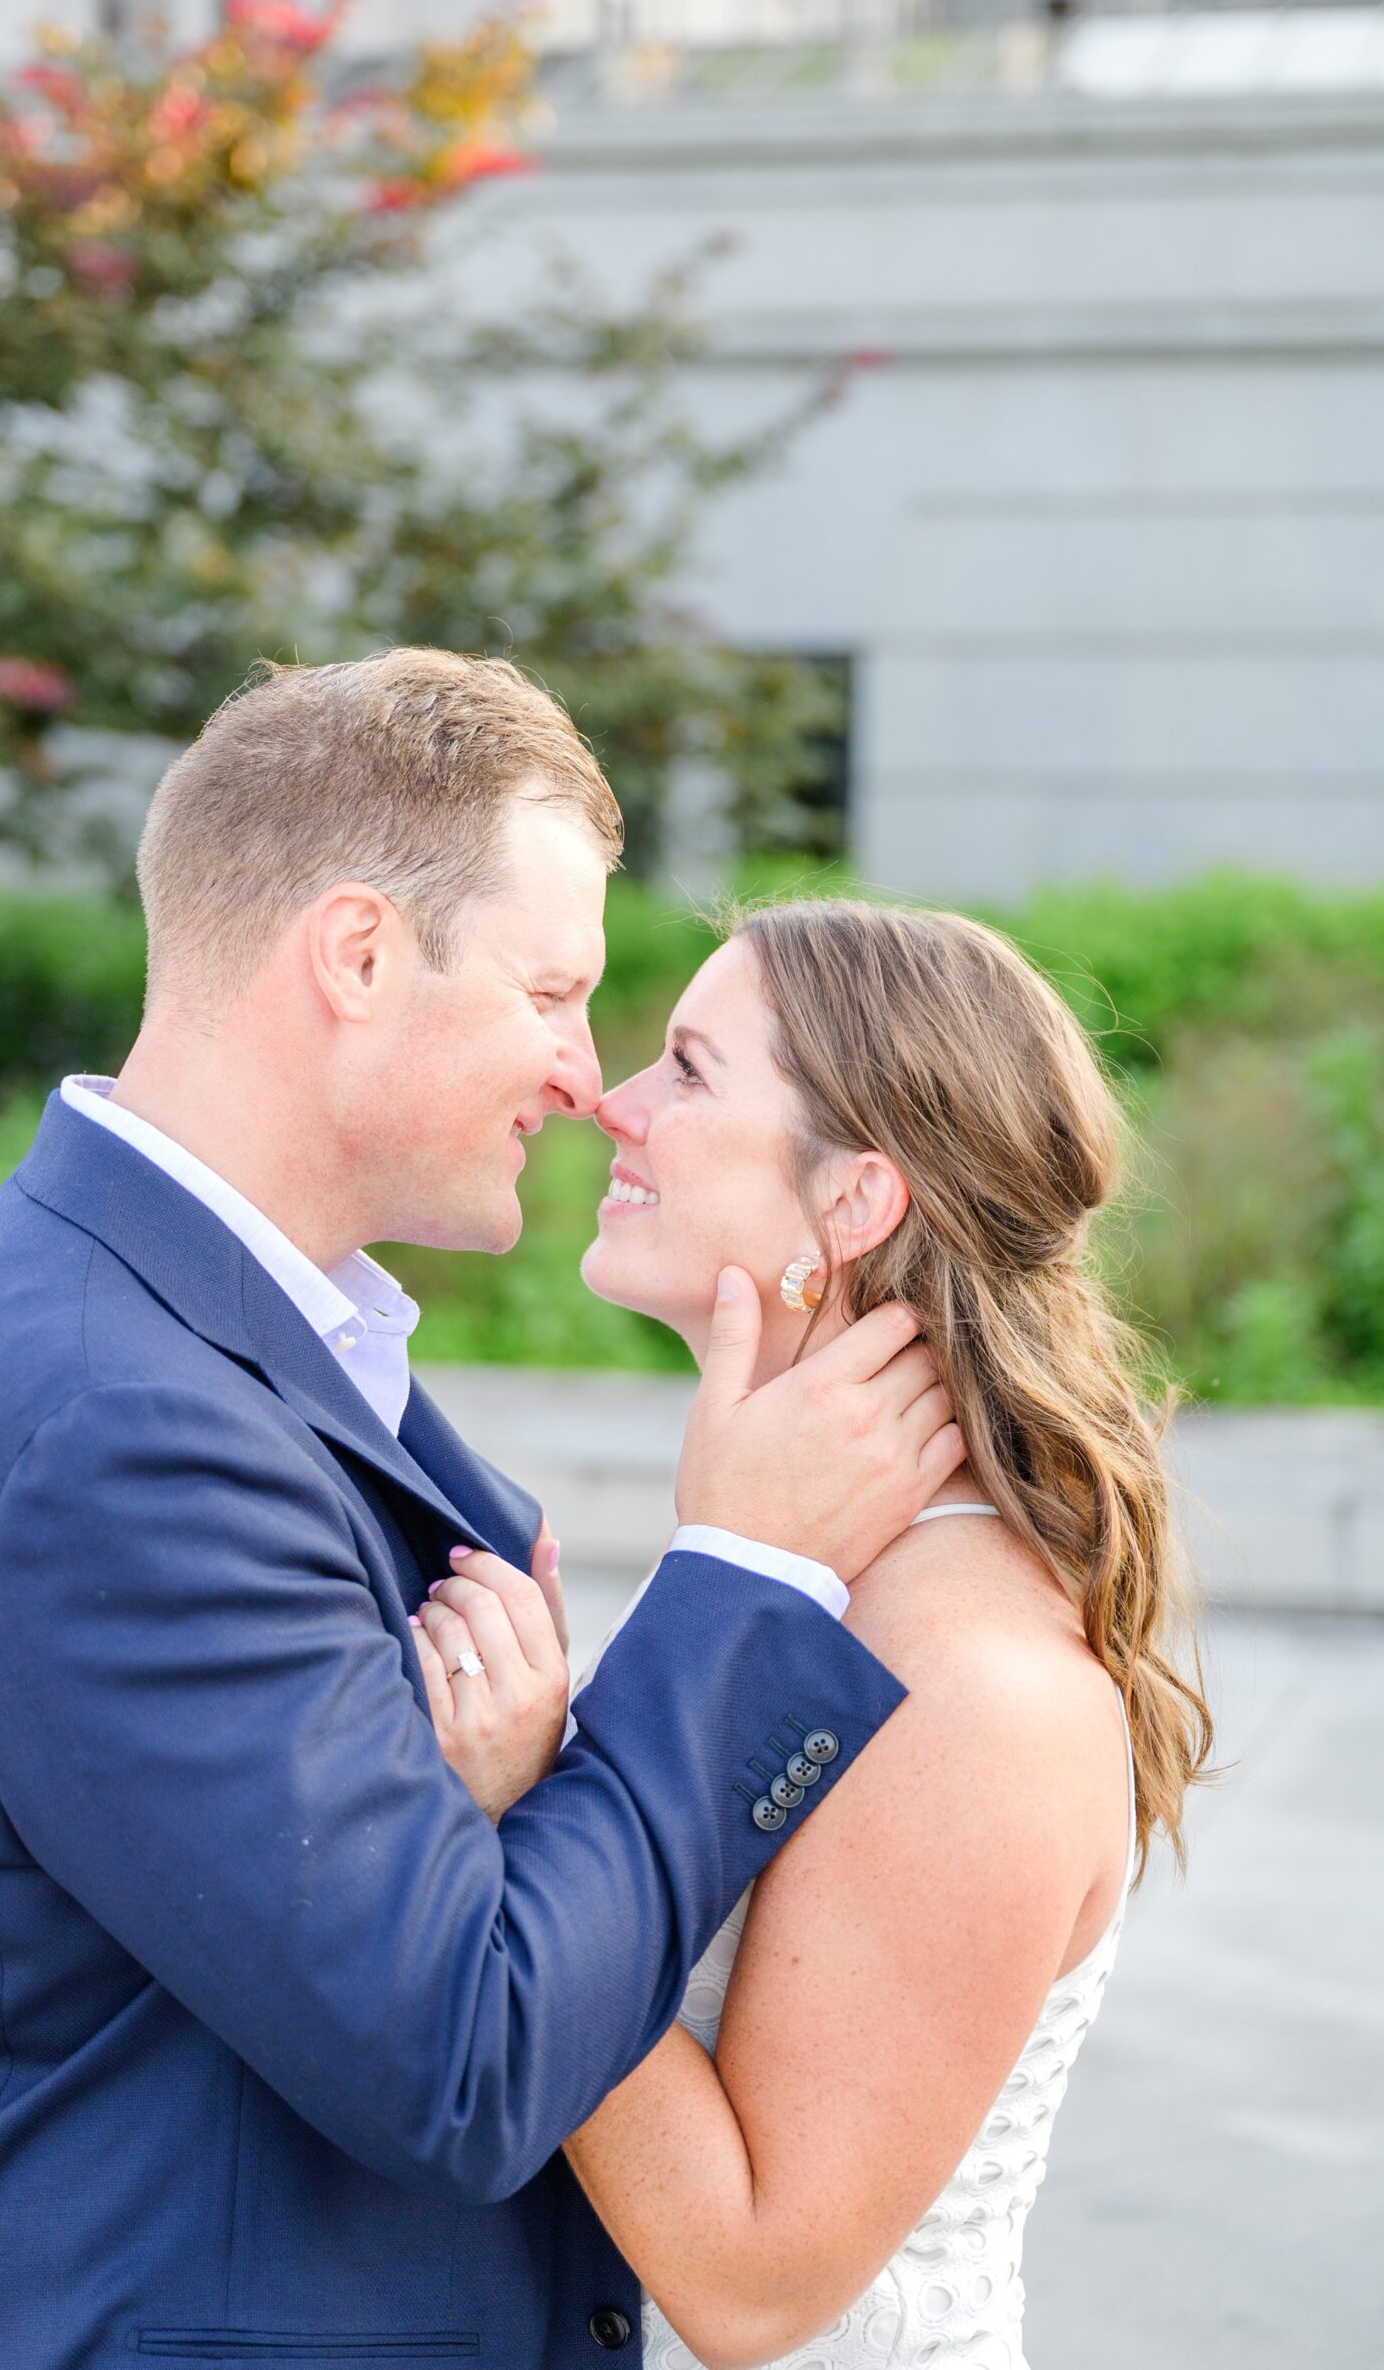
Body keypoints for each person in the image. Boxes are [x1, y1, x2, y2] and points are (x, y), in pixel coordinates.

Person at [0, 649, 965, 2369]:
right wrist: (748, 1569)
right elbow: (468, 2064)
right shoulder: (120, 1422)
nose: (588, 1075)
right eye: (553, 990)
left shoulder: (194, 1318)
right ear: (357, 954)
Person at [417, 895, 1213, 2370]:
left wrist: (519, 1825)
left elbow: (755, 2285)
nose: (611, 1102)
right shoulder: (805, 1562)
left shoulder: (970, 1686)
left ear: (854, 1202)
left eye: (692, 1070)